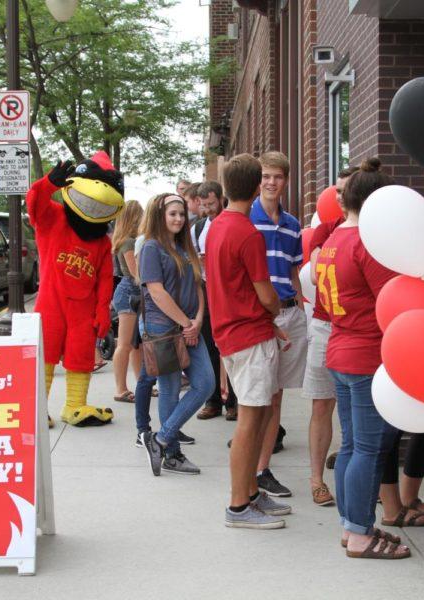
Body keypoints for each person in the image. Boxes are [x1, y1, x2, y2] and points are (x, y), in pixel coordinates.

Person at [319, 157, 410, 559]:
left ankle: (352, 527)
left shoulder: (333, 238)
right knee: (368, 449)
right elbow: (393, 305)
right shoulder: (367, 245)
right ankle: (358, 533)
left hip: (341, 350)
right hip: (366, 356)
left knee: (354, 445)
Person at [205, 153, 292, 529]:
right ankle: (239, 506)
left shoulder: (218, 227)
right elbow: (266, 295)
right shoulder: (246, 232)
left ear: (226, 187)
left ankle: (252, 495)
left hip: (232, 333)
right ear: (257, 187)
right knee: (250, 421)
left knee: (255, 420)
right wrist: (273, 317)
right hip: (248, 336)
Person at [26, 152, 122, 428]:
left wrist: (103, 310)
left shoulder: (102, 243)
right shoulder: (53, 218)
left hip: (84, 308)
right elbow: (34, 204)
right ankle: (37, 410)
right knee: (45, 354)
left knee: (80, 355)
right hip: (51, 303)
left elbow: (105, 278)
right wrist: (48, 184)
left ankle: (75, 406)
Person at [139, 194, 214, 475]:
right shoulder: (151, 248)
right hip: (164, 329)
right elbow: (156, 292)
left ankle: (160, 438)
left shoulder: (185, 247)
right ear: (161, 216)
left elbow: (198, 285)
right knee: (170, 389)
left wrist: (197, 320)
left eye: (181, 214)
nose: (179, 219)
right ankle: (171, 454)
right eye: (173, 214)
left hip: (190, 326)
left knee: (205, 383)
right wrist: (186, 324)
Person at [249, 151, 308, 499]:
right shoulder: (247, 220)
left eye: (278, 177)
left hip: (289, 313)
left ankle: (263, 467)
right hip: (260, 316)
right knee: (260, 396)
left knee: (277, 398)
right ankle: (252, 468)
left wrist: (301, 307)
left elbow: (293, 271)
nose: (272, 183)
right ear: (259, 180)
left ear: (286, 181)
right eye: (266, 176)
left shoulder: (293, 225)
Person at [303, 165, 356, 506]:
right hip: (326, 326)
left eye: (343, 190)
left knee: (359, 410)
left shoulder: (380, 232)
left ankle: (363, 480)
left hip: (362, 332)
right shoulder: (325, 230)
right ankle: (317, 479)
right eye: (335, 190)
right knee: (322, 404)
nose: (337, 196)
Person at [193, 180, 239, 421]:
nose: (208, 209)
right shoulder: (198, 228)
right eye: (203, 205)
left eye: (211, 203)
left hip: (230, 291)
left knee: (232, 347)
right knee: (210, 347)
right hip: (208, 289)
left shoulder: (234, 222)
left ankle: (234, 401)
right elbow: (190, 258)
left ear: (221, 198)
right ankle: (213, 401)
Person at [110, 200, 144, 403]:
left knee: (135, 345)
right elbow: (136, 273)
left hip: (129, 292)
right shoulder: (129, 242)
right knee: (124, 344)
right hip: (130, 292)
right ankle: (120, 389)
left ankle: (141, 384)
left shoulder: (127, 240)